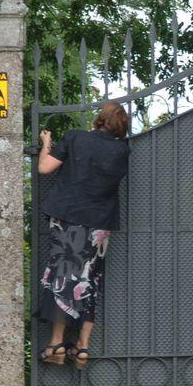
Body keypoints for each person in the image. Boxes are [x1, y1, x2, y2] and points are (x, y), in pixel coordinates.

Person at [35, 102, 130, 369]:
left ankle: (56, 344)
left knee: (63, 277)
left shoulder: (77, 138)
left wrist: (46, 143)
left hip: (69, 220)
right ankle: (83, 347)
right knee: (89, 280)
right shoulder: (122, 150)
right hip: (100, 225)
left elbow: (44, 168)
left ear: (100, 119)